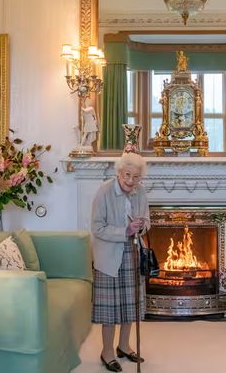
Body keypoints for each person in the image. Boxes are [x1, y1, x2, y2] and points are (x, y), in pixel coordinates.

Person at [91, 153, 149, 372]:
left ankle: (124, 346)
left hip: (133, 252)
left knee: (129, 305)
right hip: (109, 256)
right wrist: (124, 230)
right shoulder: (105, 191)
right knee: (110, 309)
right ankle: (107, 352)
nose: (131, 181)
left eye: (136, 177)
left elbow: (147, 221)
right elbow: (97, 228)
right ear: (119, 172)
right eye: (127, 175)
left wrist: (141, 226)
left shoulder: (140, 191)